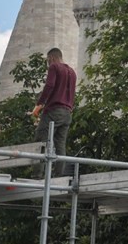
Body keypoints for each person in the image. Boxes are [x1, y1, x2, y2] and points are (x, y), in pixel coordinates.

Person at [31, 47, 77, 177]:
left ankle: (37, 175)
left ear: (51, 58)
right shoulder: (72, 72)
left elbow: (49, 85)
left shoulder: (54, 67)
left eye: (48, 61)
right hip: (67, 113)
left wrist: (39, 105)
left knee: (41, 141)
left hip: (53, 110)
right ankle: (58, 175)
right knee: (60, 144)